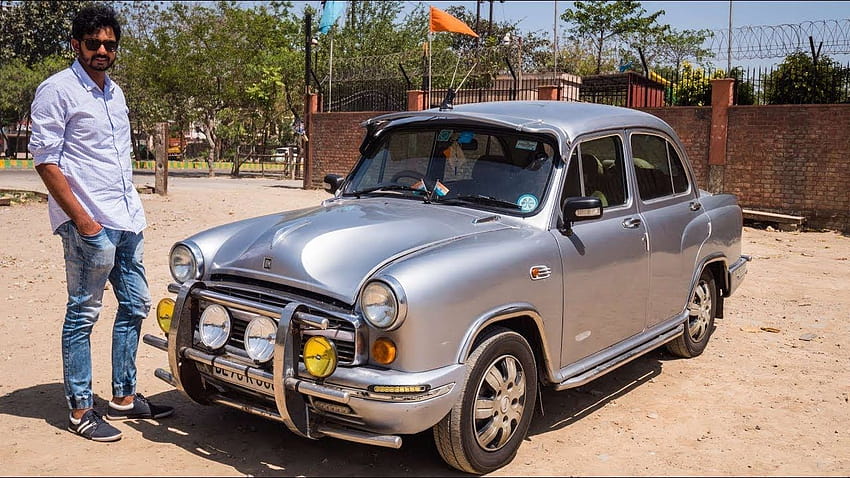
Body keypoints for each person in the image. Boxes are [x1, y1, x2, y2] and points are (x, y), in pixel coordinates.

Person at [28, 4, 172, 443]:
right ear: (76, 44)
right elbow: (46, 161)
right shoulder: (56, 90)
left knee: (135, 304)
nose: (102, 50)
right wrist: (84, 223)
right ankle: (80, 409)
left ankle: (124, 398)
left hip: (126, 218)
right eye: (93, 43)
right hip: (88, 223)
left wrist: (131, 217)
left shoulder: (116, 93)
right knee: (83, 313)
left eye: (110, 44)